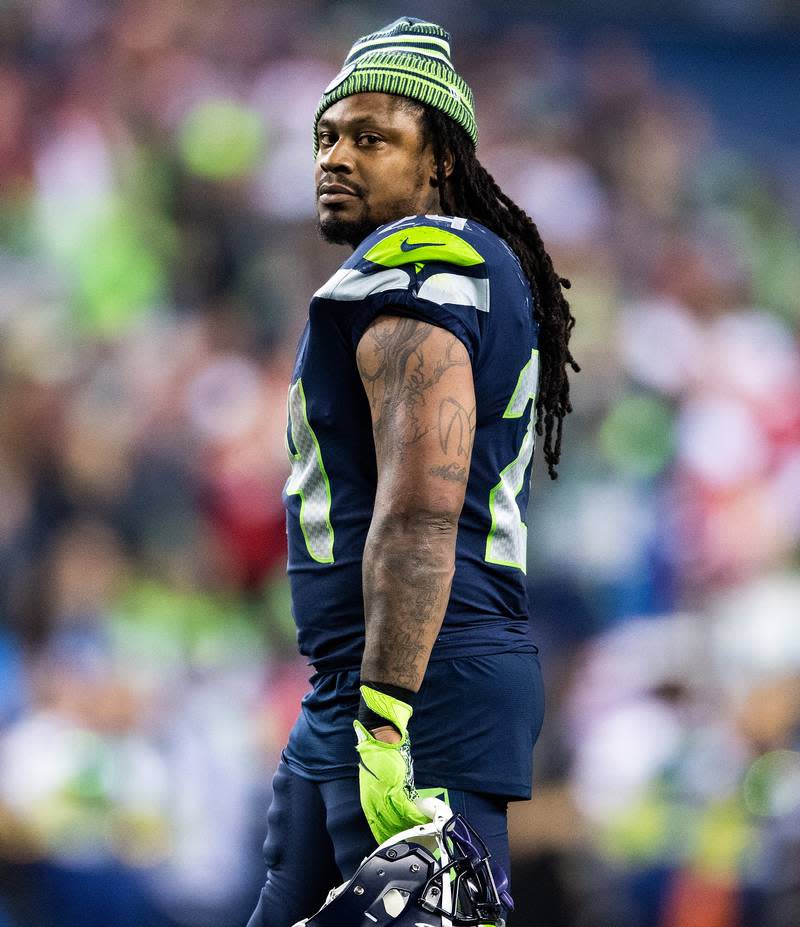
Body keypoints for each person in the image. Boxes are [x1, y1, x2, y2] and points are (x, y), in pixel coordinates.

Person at [247, 16, 576, 926]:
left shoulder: (419, 268)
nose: (336, 157)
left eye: (371, 137)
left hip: (414, 687)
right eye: (326, 137)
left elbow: (422, 513)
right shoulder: (449, 272)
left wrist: (388, 716)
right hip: (354, 684)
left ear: (438, 160)